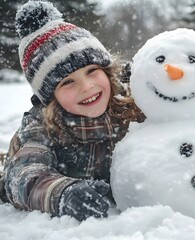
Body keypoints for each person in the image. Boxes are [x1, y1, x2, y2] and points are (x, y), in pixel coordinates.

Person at [0, 0, 144, 221]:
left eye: (92, 70)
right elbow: (24, 176)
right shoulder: (41, 127)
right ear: (50, 98)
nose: (87, 87)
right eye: (67, 82)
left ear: (107, 71)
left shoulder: (134, 95)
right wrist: (63, 193)